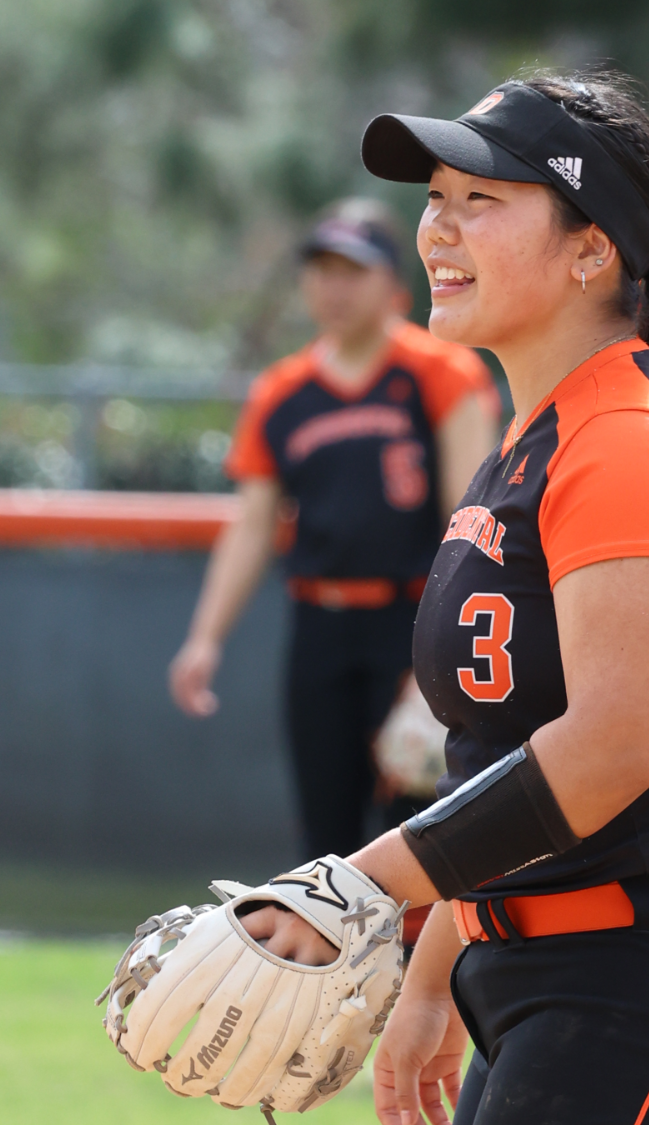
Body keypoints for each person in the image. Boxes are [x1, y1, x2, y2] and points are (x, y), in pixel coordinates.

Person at [241, 71, 649, 1124]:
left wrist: (357, 886)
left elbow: (608, 749)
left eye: (481, 202)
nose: (436, 233)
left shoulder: (631, 440)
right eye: (434, 199)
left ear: (590, 248)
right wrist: (435, 979)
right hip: (557, 979)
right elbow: (509, 761)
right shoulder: (543, 436)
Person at [168, 198, 499, 862]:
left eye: (352, 269)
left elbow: (470, 516)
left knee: (417, 823)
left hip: (411, 620)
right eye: (320, 269)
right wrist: (204, 638)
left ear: (393, 284)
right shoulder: (282, 393)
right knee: (324, 835)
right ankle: (337, 969)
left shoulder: (441, 371)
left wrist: (440, 650)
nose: (333, 286)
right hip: (319, 627)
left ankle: (419, 970)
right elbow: (253, 524)